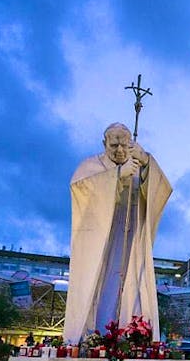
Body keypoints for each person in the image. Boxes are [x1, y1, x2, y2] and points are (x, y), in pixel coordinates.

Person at [63, 123, 172, 345]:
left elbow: (162, 190)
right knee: (102, 283)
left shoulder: (137, 163)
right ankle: (92, 336)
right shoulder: (91, 165)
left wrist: (147, 164)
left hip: (132, 239)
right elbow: (80, 190)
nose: (120, 150)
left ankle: (132, 334)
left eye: (125, 144)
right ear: (105, 143)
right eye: (114, 145)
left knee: (133, 281)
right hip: (103, 239)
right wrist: (118, 176)